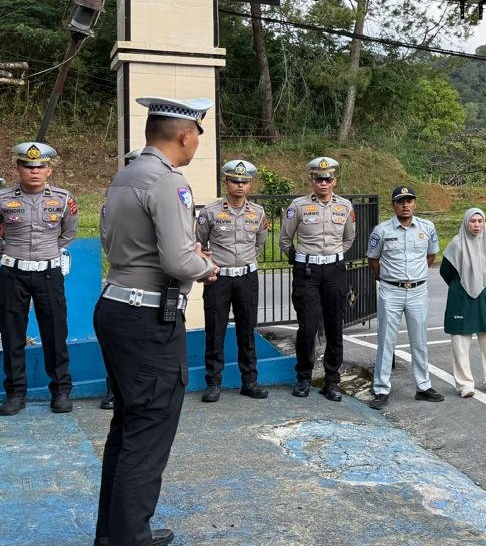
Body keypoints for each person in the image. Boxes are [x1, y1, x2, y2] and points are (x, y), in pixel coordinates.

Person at [94, 96, 219, 546]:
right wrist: (206, 265)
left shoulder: (127, 174)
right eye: (198, 134)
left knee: (128, 425)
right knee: (148, 430)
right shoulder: (168, 182)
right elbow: (178, 259)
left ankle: (115, 533)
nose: (198, 142)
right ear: (185, 135)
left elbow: (114, 241)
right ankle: (131, 538)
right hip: (147, 317)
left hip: (117, 306)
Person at [0, 141, 79, 416]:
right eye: (28, 166)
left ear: (49, 170)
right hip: (13, 273)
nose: (34, 171)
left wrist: (50, 252)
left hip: (48, 272)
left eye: (40, 166)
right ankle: (15, 394)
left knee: (55, 332)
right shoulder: (3, 198)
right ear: (18, 168)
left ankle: (61, 391)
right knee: (12, 334)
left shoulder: (63, 199)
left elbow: (69, 233)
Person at [279, 157, 356, 401]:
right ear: (311, 180)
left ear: (334, 181)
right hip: (307, 273)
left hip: (334, 271)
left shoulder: (345, 206)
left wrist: (332, 257)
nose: (323, 183)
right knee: (308, 327)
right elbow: (285, 240)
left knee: (334, 327)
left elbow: (348, 238)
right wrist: (302, 260)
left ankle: (331, 381)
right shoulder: (298, 206)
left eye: (328, 179)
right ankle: (303, 378)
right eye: (319, 179)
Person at [195, 160, 269, 403]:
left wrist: (244, 262)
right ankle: (213, 383)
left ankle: (249, 381)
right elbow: (198, 244)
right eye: (235, 181)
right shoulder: (210, 212)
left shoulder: (258, 213)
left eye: (244, 182)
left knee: (247, 331)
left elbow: (259, 243)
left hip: (246, 277)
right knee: (215, 331)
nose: (239, 185)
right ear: (226, 182)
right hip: (219, 278)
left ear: (250, 185)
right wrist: (208, 265)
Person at [367, 185, 443, 409]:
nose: (405, 205)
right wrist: (386, 279)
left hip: (418, 290)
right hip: (391, 290)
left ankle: (423, 386)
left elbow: (431, 255)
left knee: (419, 340)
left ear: (414, 203)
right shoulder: (381, 230)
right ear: (393, 205)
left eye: (409, 201)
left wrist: (417, 276)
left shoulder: (427, 227)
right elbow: (373, 260)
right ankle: (381, 389)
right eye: (401, 201)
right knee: (386, 341)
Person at [440, 208, 486, 397]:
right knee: (460, 343)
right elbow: (446, 272)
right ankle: (465, 385)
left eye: (480, 221)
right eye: (473, 221)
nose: (476, 225)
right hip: (461, 298)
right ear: (466, 222)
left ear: (484, 223)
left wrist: (479, 281)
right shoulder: (456, 244)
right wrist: (464, 283)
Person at [100, 147, 144, 412]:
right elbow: (106, 238)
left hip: (154, 283)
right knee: (119, 341)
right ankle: (113, 391)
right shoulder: (113, 201)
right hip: (125, 279)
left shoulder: (165, 195)